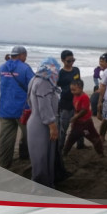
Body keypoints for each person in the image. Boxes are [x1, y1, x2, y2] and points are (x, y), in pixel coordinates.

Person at [0, 45, 34, 168]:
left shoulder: (2, 67)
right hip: (22, 109)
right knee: (29, 136)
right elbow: (33, 86)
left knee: (6, 140)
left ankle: (4, 164)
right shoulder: (25, 68)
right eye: (25, 56)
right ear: (22, 55)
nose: (26, 58)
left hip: (5, 109)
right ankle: (27, 157)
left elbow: (9, 72)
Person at [26, 57, 60, 188]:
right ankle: (43, 185)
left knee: (38, 155)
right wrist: (52, 125)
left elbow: (30, 102)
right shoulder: (44, 83)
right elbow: (44, 106)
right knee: (43, 156)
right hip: (42, 125)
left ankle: (42, 183)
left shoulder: (34, 79)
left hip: (35, 120)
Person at [63, 79, 104, 157]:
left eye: (74, 90)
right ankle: (65, 153)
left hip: (86, 124)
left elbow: (84, 110)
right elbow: (76, 108)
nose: (72, 92)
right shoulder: (75, 96)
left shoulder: (84, 97)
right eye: (71, 90)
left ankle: (101, 153)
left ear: (81, 88)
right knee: (70, 139)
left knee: (94, 138)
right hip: (77, 124)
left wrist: (75, 117)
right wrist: (75, 119)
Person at [57, 50, 85, 151]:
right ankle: (60, 147)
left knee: (79, 124)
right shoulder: (60, 73)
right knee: (63, 127)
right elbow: (56, 86)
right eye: (69, 61)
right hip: (65, 104)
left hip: (77, 102)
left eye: (73, 60)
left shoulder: (76, 70)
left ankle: (80, 145)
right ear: (63, 60)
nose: (71, 62)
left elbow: (79, 83)